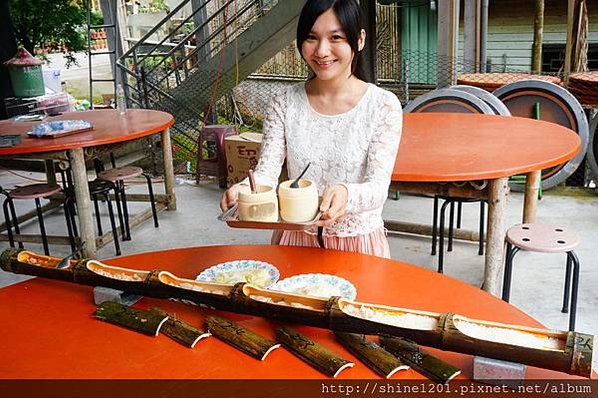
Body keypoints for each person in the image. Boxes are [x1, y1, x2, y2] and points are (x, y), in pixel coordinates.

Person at [220, 0, 403, 258]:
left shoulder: (382, 106)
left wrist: (346, 193)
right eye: (311, 37)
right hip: (293, 241)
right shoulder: (283, 103)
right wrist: (244, 189)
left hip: (357, 245)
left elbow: (378, 188)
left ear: (359, 39)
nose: (322, 51)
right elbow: (266, 174)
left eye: (335, 37)